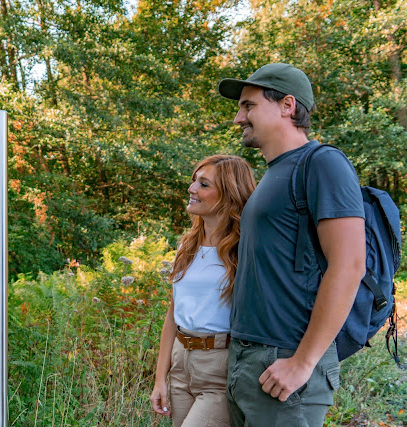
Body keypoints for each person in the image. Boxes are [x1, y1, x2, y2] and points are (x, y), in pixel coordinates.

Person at [217, 63, 366, 426]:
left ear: (287, 105)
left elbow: (349, 266)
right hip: (247, 359)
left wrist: (302, 362)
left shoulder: (322, 164)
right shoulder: (273, 174)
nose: (238, 118)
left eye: (248, 106)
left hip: (285, 362)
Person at [150, 155, 255, 426]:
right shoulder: (188, 246)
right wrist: (160, 378)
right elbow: (173, 313)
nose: (192, 189)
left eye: (203, 184)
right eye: (194, 180)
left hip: (219, 366)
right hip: (180, 362)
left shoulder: (244, 251)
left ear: (229, 195)